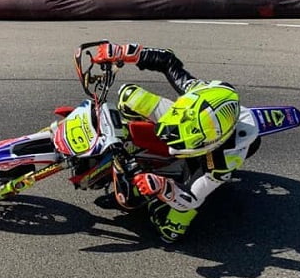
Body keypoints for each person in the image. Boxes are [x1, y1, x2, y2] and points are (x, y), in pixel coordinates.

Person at [88, 41, 258, 243]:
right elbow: (167, 60)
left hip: (206, 163)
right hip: (186, 118)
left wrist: (163, 188)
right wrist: (123, 52)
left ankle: (161, 196)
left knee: (169, 232)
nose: (171, 148)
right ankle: (135, 148)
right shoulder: (198, 91)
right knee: (128, 96)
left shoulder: (223, 162)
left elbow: (192, 198)